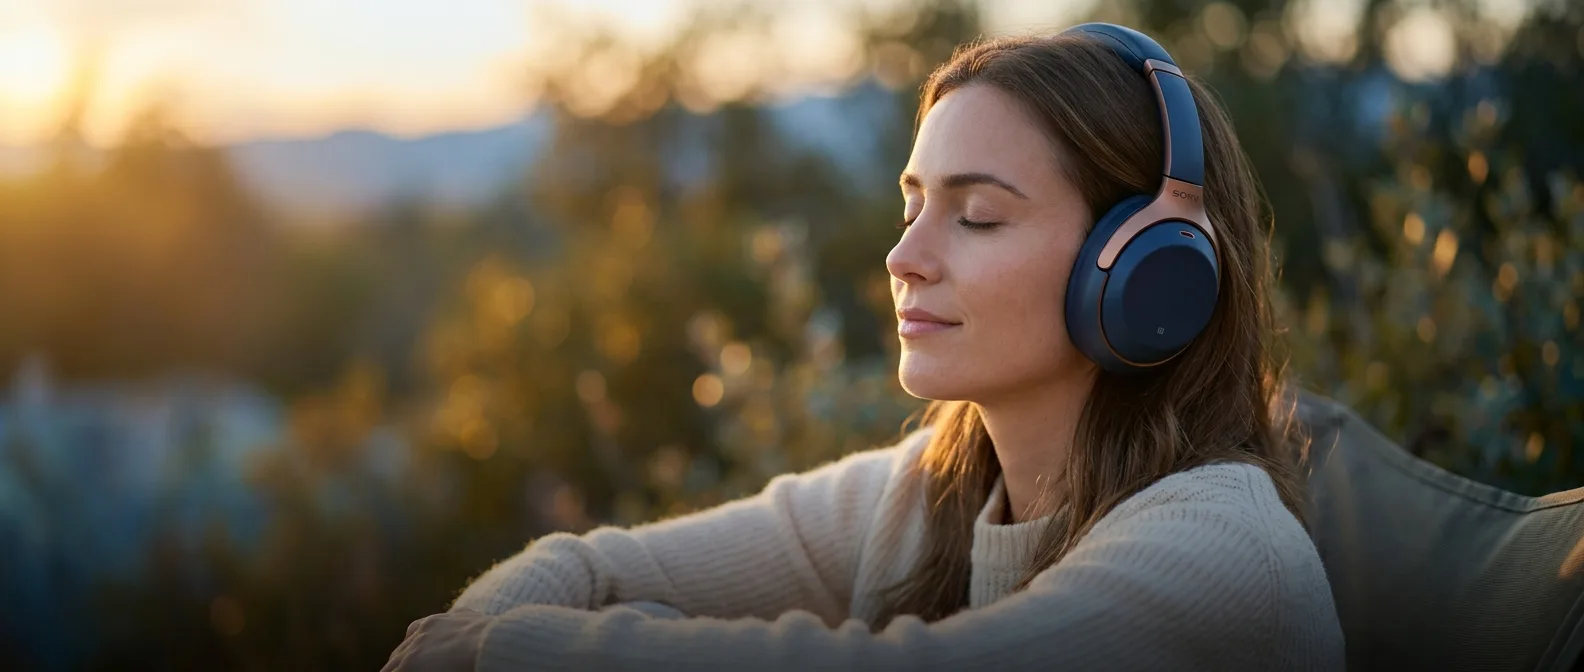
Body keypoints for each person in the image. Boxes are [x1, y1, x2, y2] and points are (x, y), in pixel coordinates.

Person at [384, 23, 1345, 671]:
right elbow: (588, 568)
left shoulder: (1226, 551)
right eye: (912, 205)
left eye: (974, 217)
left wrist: (499, 653)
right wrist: (475, 636)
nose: (903, 257)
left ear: (1144, 267)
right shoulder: (931, 492)